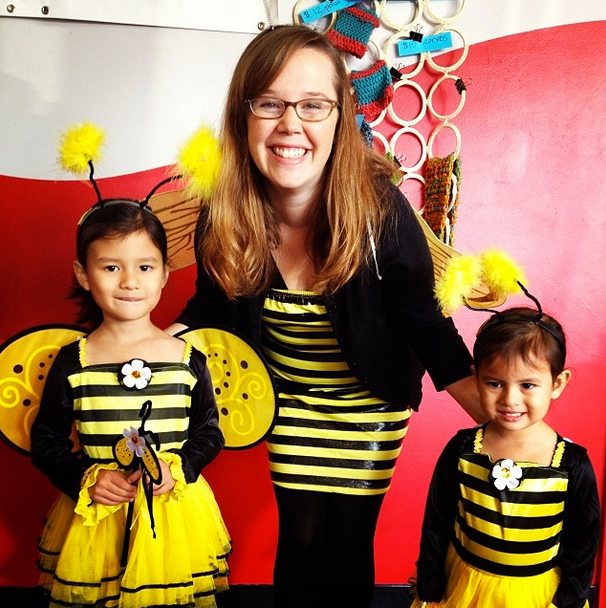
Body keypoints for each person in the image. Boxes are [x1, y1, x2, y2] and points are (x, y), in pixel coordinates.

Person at [168, 24, 484, 608]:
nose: (291, 124)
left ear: (340, 118)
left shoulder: (380, 211)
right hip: (288, 401)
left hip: (371, 402)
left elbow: (424, 322)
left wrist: (500, 416)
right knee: (301, 538)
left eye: (313, 105)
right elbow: (208, 312)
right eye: (269, 103)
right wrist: (138, 353)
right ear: (242, 115)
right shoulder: (224, 212)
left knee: (348, 540)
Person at [31, 200, 231, 608]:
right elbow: (46, 438)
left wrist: (180, 468)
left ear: (164, 274)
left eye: (144, 267)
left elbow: (209, 432)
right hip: (98, 517)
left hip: (171, 517)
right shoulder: (73, 361)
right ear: (83, 274)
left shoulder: (187, 358)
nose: (129, 282)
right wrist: (85, 479)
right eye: (110, 267)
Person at [410, 306, 600, 608]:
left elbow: (582, 543)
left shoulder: (571, 464)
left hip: (534, 596)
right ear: (476, 378)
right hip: (466, 589)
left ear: (557, 383)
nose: (510, 399)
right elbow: (437, 522)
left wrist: (569, 601)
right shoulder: (463, 449)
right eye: (495, 383)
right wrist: (430, 588)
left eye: (527, 385)